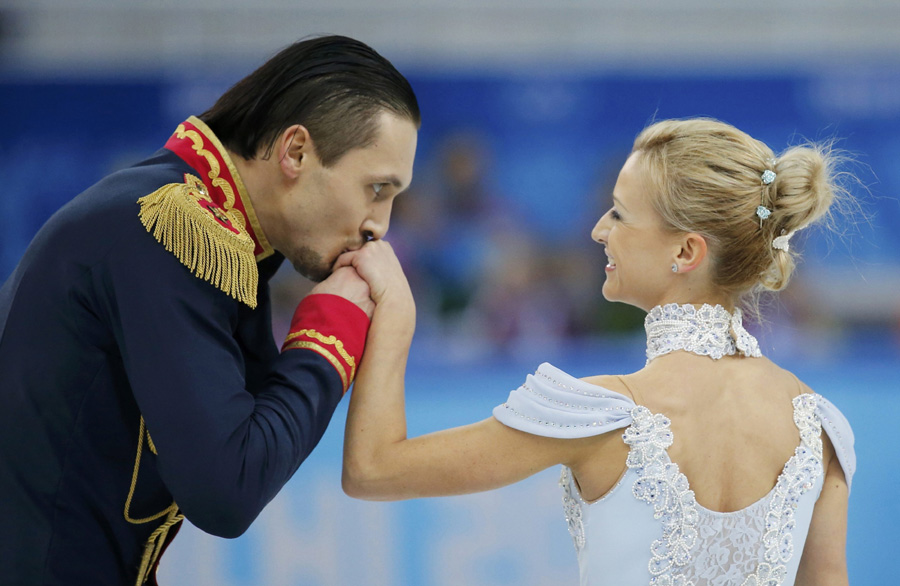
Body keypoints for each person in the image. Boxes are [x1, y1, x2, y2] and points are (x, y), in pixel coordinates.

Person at [339, 118, 855, 586]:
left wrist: (395, 317)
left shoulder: (603, 414)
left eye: (619, 214)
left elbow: (374, 469)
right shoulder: (818, 424)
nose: (598, 230)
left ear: (685, 252)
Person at [0, 35, 419, 585]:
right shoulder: (171, 229)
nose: (379, 224)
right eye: (376, 189)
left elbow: (253, 451)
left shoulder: (208, 228)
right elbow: (229, 491)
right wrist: (328, 334)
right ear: (295, 152)